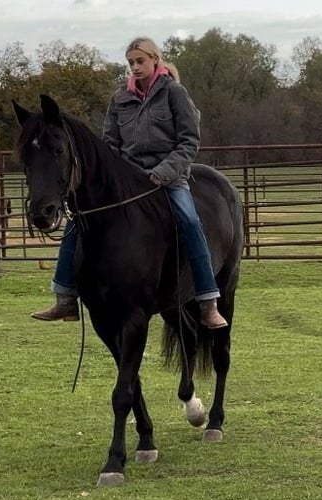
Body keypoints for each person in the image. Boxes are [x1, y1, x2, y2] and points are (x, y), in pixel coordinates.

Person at [31, 36, 228, 330]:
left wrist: (164, 171)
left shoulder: (174, 93)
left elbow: (189, 141)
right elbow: (110, 142)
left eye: (140, 61)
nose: (135, 67)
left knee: (189, 221)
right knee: (77, 220)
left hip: (169, 178)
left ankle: (208, 300)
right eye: (131, 62)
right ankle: (65, 296)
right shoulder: (120, 98)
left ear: (155, 61)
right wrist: (118, 173)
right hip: (128, 178)